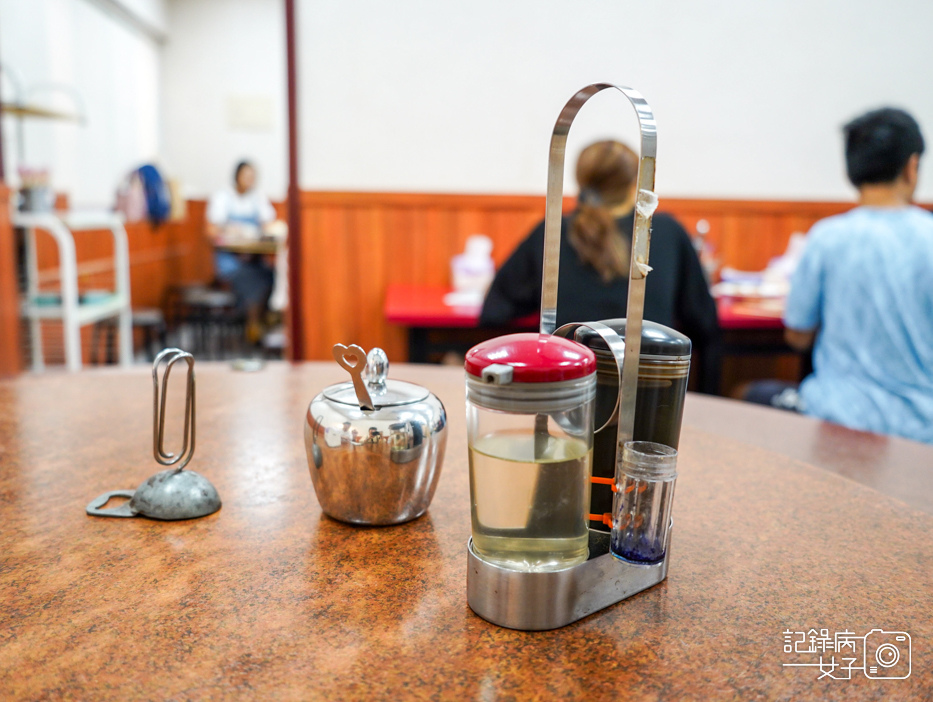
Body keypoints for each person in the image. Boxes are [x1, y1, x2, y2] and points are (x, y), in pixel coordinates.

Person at [751, 107, 933, 444]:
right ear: (912, 166)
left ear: (852, 169)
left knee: (751, 394)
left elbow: (798, 335)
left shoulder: (827, 237)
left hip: (837, 419)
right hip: (921, 431)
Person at [480, 140, 721, 393]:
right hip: (650, 399)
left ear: (581, 179)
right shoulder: (667, 233)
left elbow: (494, 311)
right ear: (633, 182)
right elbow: (705, 323)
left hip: (569, 397)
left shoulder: (551, 232)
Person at [206, 161, 276, 341]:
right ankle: (252, 324)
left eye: (252, 176)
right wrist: (231, 231)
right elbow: (211, 230)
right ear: (236, 176)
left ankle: (259, 320)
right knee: (249, 277)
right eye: (246, 175)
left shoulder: (257, 197)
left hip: (254, 258)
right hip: (230, 261)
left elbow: (268, 222)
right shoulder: (223, 197)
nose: (249, 180)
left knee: (270, 275)